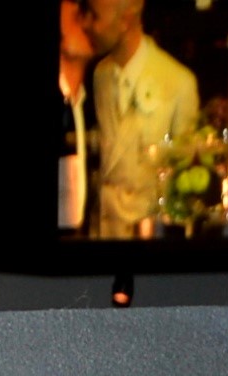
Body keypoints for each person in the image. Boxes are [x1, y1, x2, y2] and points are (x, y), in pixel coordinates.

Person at [79, 0, 200, 239]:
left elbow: (185, 183)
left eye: (94, 16)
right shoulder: (100, 75)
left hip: (147, 235)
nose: (86, 24)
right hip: (100, 231)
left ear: (125, 20)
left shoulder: (179, 82)